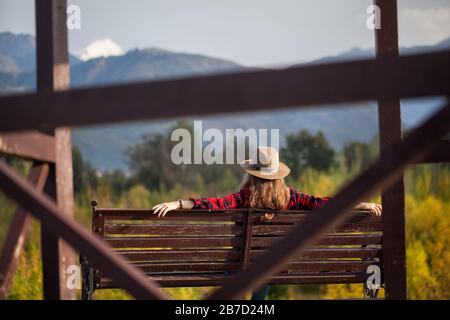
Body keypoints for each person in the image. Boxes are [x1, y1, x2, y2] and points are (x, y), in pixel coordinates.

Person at [152, 146, 382, 299]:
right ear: (279, 175)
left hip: (239, 267)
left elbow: (215, 203)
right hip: (272, 267)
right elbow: (322, 203)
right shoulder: (291, 198)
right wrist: (358, 204)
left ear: (252, 174)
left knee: (238, 274)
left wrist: (179, 204)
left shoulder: (243, 197)